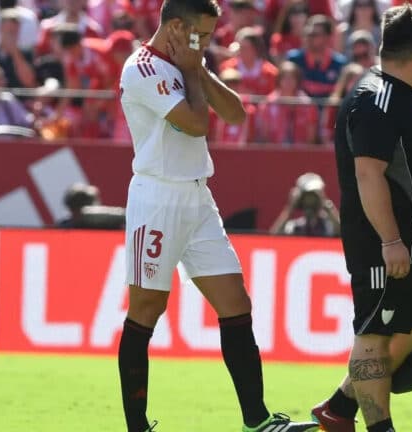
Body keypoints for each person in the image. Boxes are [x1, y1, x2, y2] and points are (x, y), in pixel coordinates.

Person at [117, 1, 320, 431]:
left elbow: (234, 114)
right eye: (201, 35)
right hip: (157, 197)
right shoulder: (142, 68)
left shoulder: (189, 64)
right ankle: (137, 426)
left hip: (197, 196)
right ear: (175, 26)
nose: (207, 42)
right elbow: (195, 124)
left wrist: (198, 69)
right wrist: (193, 71)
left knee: (235, 303)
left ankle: (258, 421)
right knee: (147, 308)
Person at [314, 5, 412, 432]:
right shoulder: (377, 99)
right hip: (385, 241)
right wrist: (390, 240)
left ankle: (339, 406)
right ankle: (378, 428)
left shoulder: (407, 97)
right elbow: (367, 173)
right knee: (374, 332)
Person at [286, 15, 348, 98]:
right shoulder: (294, 60)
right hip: (299, 110)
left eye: (314, 35)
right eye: (307, 34)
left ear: (328, 38)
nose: (308, 38)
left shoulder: (340, 64)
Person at [270, 172, 340, 237]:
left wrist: (328, 207)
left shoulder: (329, 226)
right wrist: (290, 208)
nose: (310, 202)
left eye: (314, 196)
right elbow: (272, 239)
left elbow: (343, 235)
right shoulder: (294, 227)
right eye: (307, 197)